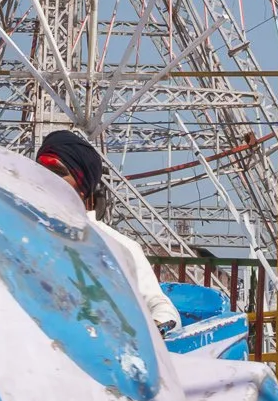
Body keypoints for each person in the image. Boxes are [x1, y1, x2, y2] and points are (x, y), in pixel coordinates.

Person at [33, 127, 180, 336]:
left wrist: (157, 328)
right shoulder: (21, 231)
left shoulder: (118, 246)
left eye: (57, 173)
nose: (44, 179)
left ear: (82, 186)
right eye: (39, 170)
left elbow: (160, 307)